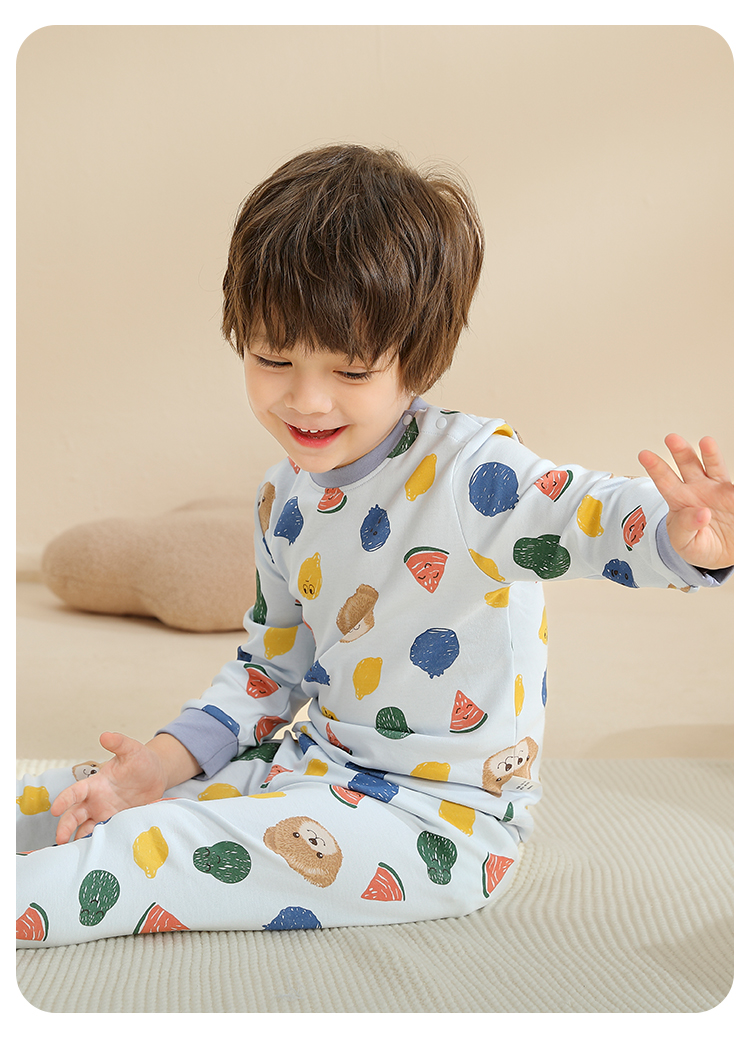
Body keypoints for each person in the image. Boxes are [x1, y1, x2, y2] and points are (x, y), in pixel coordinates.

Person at [16, 144, 733, 947]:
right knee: (73, 799)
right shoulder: (281, 500)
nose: (307, 399)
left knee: (144, 851)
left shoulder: (474, 474)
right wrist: (158, 762)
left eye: (351, 372)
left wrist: (679, 536)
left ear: (415, 362)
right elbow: (267, 674)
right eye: (273, 358)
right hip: (305, 773)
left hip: (441, 828)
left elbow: (585, 515)